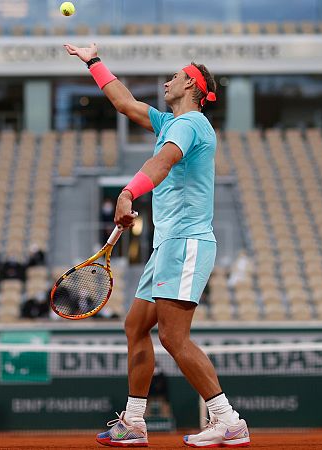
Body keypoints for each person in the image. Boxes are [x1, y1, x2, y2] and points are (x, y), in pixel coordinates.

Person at [64, 42, 249, 448]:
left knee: (173, 337)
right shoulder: (171, 122)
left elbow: (161, 164)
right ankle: (133, 422)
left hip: (186, 243)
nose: (167, 80)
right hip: (168, 246)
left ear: (193, 86)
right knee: (135, 327)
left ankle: (227, 419)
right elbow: (126, 103)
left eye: (175, 76)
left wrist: (128, 193)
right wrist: (94, 62)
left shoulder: (191, 125)